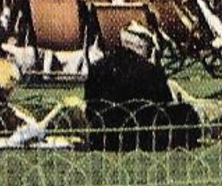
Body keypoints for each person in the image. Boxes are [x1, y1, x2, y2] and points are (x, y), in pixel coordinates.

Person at [84, 22, 203, 151]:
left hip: (103, 139)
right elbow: (165, 104)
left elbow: (90, 108)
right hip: (141, 138)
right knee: (185, 111)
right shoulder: (150, 71)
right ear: (143, 46)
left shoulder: (97, 68)